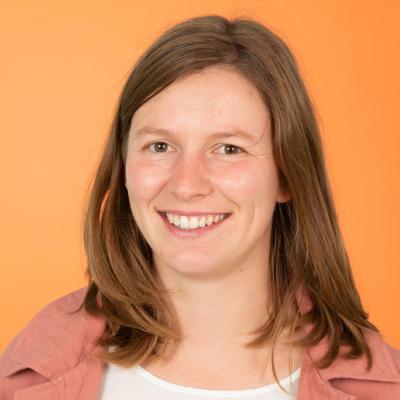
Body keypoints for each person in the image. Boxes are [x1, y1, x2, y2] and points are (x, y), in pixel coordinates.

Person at [1, 14, 399, 400]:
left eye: (229, 149)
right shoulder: (27, 375)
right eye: (159, 146)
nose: (187, 184)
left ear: (287, 176)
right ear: (122, 168)